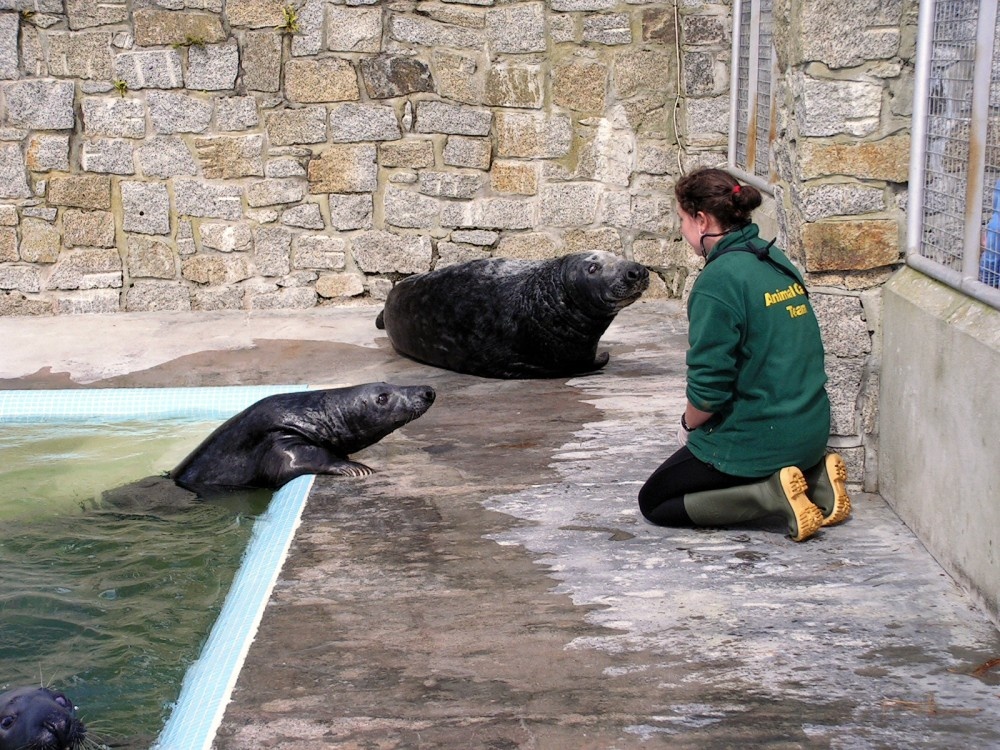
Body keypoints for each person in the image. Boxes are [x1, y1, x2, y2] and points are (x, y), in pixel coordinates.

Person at [637, 167, 851, 542]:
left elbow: (708, 391)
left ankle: (771, 496)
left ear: (701, 220)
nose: (682, 229)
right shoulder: (775, 258)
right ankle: (815, 481)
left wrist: (687, 425)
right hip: (810, 432)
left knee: (655, 501)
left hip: (761, 438)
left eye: (682, 219)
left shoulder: (718, 281)